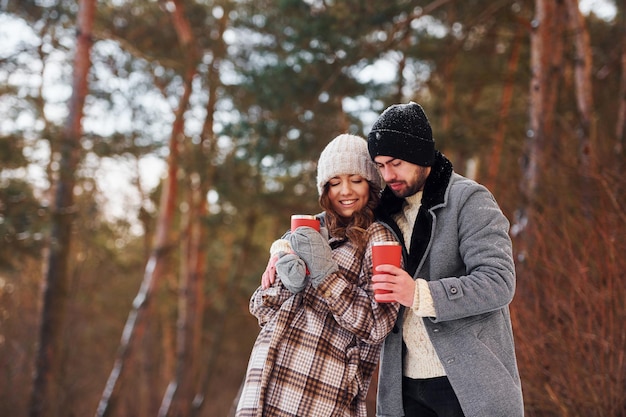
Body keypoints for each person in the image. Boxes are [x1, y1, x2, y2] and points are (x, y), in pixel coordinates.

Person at [366, 102, 524, 417]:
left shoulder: (469, 200)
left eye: (395, 162)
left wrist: (420, 294)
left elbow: (499, 282)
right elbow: (333, 222)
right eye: (380, 166)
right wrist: (285, 248)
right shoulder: (383, 212)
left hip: (468, 385)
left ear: (420, 154)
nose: (388, 175)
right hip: (404, 389)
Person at [236, 134, 401, 417]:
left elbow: (378, 323)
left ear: (372, 184)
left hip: (320, 393)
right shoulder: (307, 229)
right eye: (335, 182)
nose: (345, 191)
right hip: (263, 384)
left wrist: (326, 275)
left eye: (356, 180)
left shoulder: (380, 238)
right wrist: (287, 280)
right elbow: (262, 310)